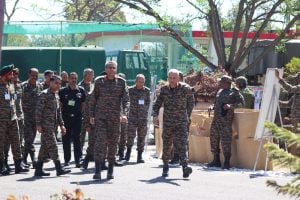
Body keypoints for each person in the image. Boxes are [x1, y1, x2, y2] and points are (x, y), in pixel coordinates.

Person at [89, 61, 129, 180]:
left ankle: (110, 170)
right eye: (109, 68)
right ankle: (97, 170)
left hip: (115, 119)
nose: (111, 70)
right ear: (105, 69)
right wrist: (91, 115)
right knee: (100, 144)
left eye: (113, 68)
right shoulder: (99, 81)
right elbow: (93, 99)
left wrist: (124, 114)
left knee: (113, 144)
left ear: (116, 69)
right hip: (101, 118)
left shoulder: (121, 82)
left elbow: (126, 100)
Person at [152, 69, 194, 178]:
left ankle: (185, 167)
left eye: (174, 78)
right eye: (170, 78)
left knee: (182, 144)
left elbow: (191, 102)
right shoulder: (164, 90)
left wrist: (188, 115)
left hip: (181, 122)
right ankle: (165, 166)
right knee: (166, 145)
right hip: (168, 122)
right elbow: (157, 104)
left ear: (178, 78)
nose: (172, 80)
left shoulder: (185, 89)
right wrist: (155, 115)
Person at [34, 75, 71, 177]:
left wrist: (62, 125)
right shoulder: (44, 94)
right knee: (54, 146)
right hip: (46, 126)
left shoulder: (56, 95)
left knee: (44, 148)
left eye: (60, 83)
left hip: (53, 126)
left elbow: (58, 112)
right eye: (56, 83)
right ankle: (59, 168)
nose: (58, 85)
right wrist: (38, 124)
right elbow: (38, 111)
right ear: (50, 82)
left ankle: (38, 169)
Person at [208, 75, 244, 169]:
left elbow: (241, 103)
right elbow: (216, 103)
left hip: (225, 122)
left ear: (227, 83)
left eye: (221, 82)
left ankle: (227, 162)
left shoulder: (234, 92)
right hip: (216, 121)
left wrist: (230, 106)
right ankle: (216, 160)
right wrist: (212, 106)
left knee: (226, 142)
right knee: (214, 140)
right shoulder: (220, 91)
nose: (220, 83)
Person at [0, 65, 29, 175]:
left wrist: (17, 115)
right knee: (1, 143)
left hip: (13, 118)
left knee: (16, 141)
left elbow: (14, 102)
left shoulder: (11, 86)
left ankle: (18, 164)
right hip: (1, 120)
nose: (12, 76)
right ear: (5, 75)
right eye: (10, 74)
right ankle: (2, 165)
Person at [59, 72, 86, 167]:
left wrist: (79, 113)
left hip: (77, 118)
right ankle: (67, 159)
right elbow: (60, 105)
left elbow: (83, 104)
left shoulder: (81, 90)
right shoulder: (63, 91)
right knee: (66, 138)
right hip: (66, 117)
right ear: (68, 79)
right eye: (72, 78)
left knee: (77, 138)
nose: (73, 80)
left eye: (75, 78)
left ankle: (78, 159)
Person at [125, 74, 150, 163]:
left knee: (141, 137)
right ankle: (127, 153)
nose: (141, 84)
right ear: (136, 81)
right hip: (132, 117)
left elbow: (148, 102)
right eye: (139, 82)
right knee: (130, 136)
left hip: (142, 118)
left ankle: (139, 156)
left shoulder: (147, 91)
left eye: (143, 82)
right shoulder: (130, 90)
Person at [22, 68, 43, 168]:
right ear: (29, 75)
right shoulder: (23, 86)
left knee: (31, 138)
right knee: (28, 138)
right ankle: (33, 159)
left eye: (36, 75)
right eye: (33, 75)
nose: (34, 77)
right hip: (25, 116)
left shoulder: (40, 86)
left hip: (36, 117)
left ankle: (24, 159)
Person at [275, 69, 300, 134]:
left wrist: (279, 78)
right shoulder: (297, 92)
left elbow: (290, 89)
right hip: (296, 120)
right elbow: (289, 104)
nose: (295, 80)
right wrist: (276, 102)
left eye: (297, 78)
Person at [78, 68, 94, 150]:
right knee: (81, 136)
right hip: (82, 115)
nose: (92, 76)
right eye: (91, 74)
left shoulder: (93, 86)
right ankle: (79, 153)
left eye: (92, 74)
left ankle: (90, 153)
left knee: (92, 136)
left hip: (91, 115)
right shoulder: (79, 87)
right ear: (85, 75)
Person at [117, 73, 128, 161]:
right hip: (115, 115)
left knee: (123, 135)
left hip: (124, 116)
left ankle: (121, 153)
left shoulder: (127, 90)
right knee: (116, 135)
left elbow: (127, 103)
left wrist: (125, 114)